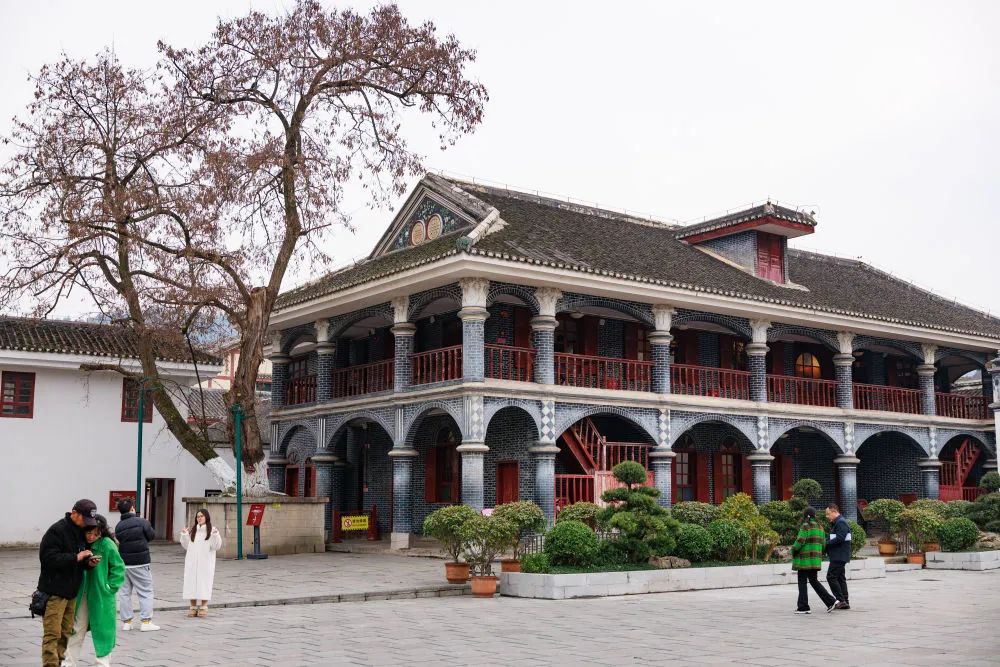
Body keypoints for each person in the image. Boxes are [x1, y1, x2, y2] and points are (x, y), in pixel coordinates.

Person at [38, 499, 98, 667]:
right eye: (84, 519)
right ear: (74, 513)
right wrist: (76, 557)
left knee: (65, 633)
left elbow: (79, 560)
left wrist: (88, 563)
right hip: (54, 592)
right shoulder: (57, 530)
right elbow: (48, 558)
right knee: (52, 634)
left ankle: (58, 662)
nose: (86, 524)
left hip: (71, 592)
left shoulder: (80, 531)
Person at [63, 514, 125, 667]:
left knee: (104, 629)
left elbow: (118, 568)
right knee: (76, 628)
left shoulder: (107, 544)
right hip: (81, 594)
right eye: (88, 532)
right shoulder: (80, 544)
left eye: (95, 533)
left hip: (101, 595)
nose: (91, 536)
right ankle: (68, 663)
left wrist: (109, 587)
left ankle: (102, 663)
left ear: (101, 532)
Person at [113, 498, 159, 632]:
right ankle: (146, 621)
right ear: (132, 508)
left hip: (124, 563)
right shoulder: (142, 522)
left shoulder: (119, 526)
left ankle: (127, 622)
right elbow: (151, 535)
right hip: (140, 562)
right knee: (145, 591)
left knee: (124, 593)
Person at [790, 507, 838, 614]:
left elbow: (799, 542)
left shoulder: (805, 526)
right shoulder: (820, 527)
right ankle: (831, 601)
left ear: (805, 515)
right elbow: (824, 545)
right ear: (814, 515)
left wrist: (793, 550)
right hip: (815, 560)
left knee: (802, 582)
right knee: (814, 581)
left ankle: (803, 607)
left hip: (804, 560)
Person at [180, 508, 222, 617]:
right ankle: (193, 606)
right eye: (198, 516)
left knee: (204, 583)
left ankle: (204, 606)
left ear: (206, 517)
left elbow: (216, 546)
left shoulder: (211, 530)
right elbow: (187, 546)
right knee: (191, 582)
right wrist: (184, 535)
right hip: (192, 562)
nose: (199, 518)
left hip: (205, 562)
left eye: (201, 516)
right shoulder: (193, 531)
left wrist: (215, 535)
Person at [825, 503, 852, 610]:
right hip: (839, 555)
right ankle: (845, 601)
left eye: (828, 514)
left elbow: (840, 538)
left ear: (834, 511)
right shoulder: (838, 522)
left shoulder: (841, 522)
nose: (827, 516)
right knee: (840, 578)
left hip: (839, 555)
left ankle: (841, 600)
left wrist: (826, 543)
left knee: (831, 577)